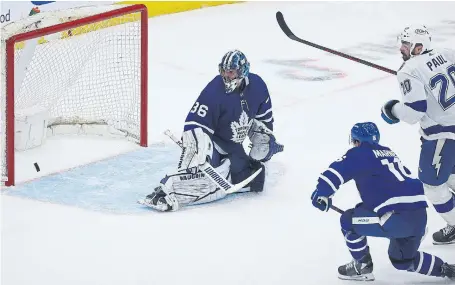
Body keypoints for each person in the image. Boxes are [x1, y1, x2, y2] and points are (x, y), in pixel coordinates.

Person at [140, 49, 283, 211]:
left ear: (243, 71)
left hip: (234, 148)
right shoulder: (215, 89)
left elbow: (264, 124)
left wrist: (265, 144)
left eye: (230, 72)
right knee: (216, 179)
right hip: (214, 144)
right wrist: (199, 141)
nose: (226, 76)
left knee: (256, 178)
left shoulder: (258, 87)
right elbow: (195, 123)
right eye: (223, 71)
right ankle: (166, 190)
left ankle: (202, 181)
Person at [310, 122, 454, 281]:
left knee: (348, 221)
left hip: (395, 217)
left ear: (356, 140)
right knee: (402, 260)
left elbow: (334, 173)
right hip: (419, 216)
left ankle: (362, 266)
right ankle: (445, 269)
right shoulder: (388, 152)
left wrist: (321, 193)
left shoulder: (358, 153)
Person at [381, 24, 455, 244]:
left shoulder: (409, 70)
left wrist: (392, 109)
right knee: (451, 175)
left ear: (419, 46)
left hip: (442, 135)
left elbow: (414, 112)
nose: (401, 48)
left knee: (433, 186)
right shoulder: (447, 53)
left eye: (406, 44)